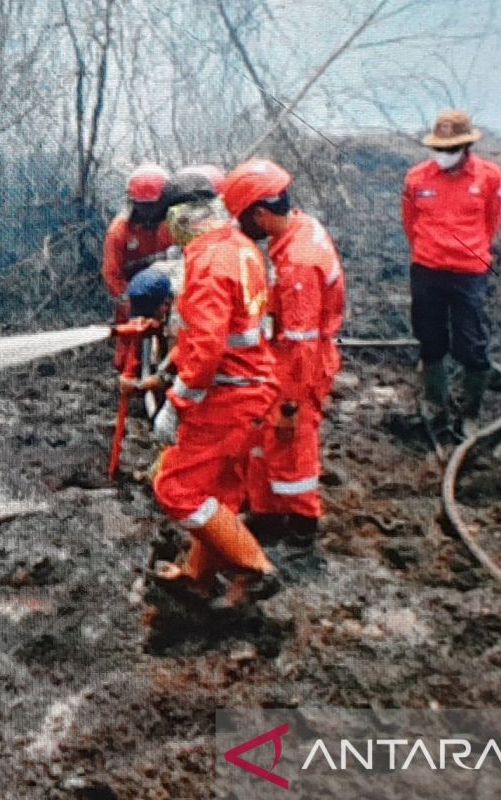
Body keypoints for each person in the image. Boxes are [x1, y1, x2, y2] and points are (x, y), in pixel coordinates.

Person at [150, 169, 278, 605]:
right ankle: (197, 578)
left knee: (176, 490)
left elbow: (206, 348)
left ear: (182, 218)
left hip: (227, 396)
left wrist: (176, 404)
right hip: (253, 388)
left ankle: (254, 568)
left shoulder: (206, 261)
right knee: (217, 494)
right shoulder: (241, 247)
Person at [224, 159, 345, 541]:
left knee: (290, 442)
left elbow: (301, 345)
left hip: (298, 371)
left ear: (260, 213)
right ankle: (267, 514)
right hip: (284, 361)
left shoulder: (298, 265)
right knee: (262, 438)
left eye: (244, 219)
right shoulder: (298, 229)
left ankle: (301, 523)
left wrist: (291, 404)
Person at [402, 109, 501, 436]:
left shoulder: (489, 177)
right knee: (430, 340)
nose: (443, 156)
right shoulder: (416, 178)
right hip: (427, 270)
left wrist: (468, 251)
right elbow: (410, 223)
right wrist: (431, 249)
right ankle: (436, 406)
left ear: (465, 147)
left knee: (471, 344)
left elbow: (492, 222)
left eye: (450, 150)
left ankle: (470, 412)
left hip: (469, 273)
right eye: (438, 149)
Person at [101, 163, 176, 300]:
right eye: (144, 205)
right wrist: (131, 301)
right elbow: (112, 276)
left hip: (172, 289)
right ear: (133, 202)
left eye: (154, 204)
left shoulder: (175, 224)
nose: (150, 210)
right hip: (135, 296)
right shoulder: (119, 231)